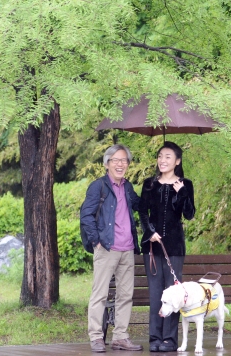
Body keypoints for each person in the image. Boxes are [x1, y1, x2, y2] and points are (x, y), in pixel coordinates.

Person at [80, 144, 143, 353]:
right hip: (106, 248)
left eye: (124, 160)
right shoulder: (98, 186)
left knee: (126, 295)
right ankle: (97, 337)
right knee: (100, 294)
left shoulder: (128, 187)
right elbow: (86, 215)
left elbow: (141, 206)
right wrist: (96, 241)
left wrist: (158, 184)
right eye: (115, 160)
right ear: (107, 163)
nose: (120, 164)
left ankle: (120, 337)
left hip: (127, 249)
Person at [139, 141, 196, 353]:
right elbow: (143, 213)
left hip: (174, 247)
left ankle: (170, 339)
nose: (162, 160)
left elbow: (189, 214)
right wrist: (149, 232)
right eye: (160, 156)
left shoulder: (185, 184)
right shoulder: (149, 184)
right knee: (155, 293)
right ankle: (154, 337)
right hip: (152, 247)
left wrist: (182, 193)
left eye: (168, 157)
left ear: (177, 161)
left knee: (173, 294)